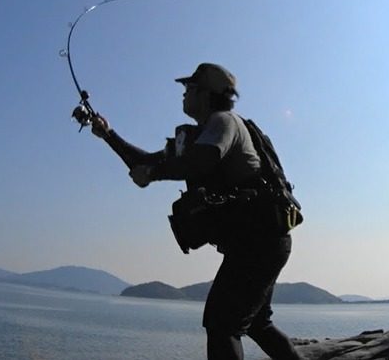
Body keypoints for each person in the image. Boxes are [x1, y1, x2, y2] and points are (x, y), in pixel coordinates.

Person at [86, 62, 302, 360]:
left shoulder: (223, 122)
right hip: (263, 240)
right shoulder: (202, 133)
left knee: (221, 323)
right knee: (256, 323)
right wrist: (108, 134)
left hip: (261, 241)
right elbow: (146, 162)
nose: (184, 94)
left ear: (207, 94)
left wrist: (153, 173)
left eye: (189, 88)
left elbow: (200, 163)